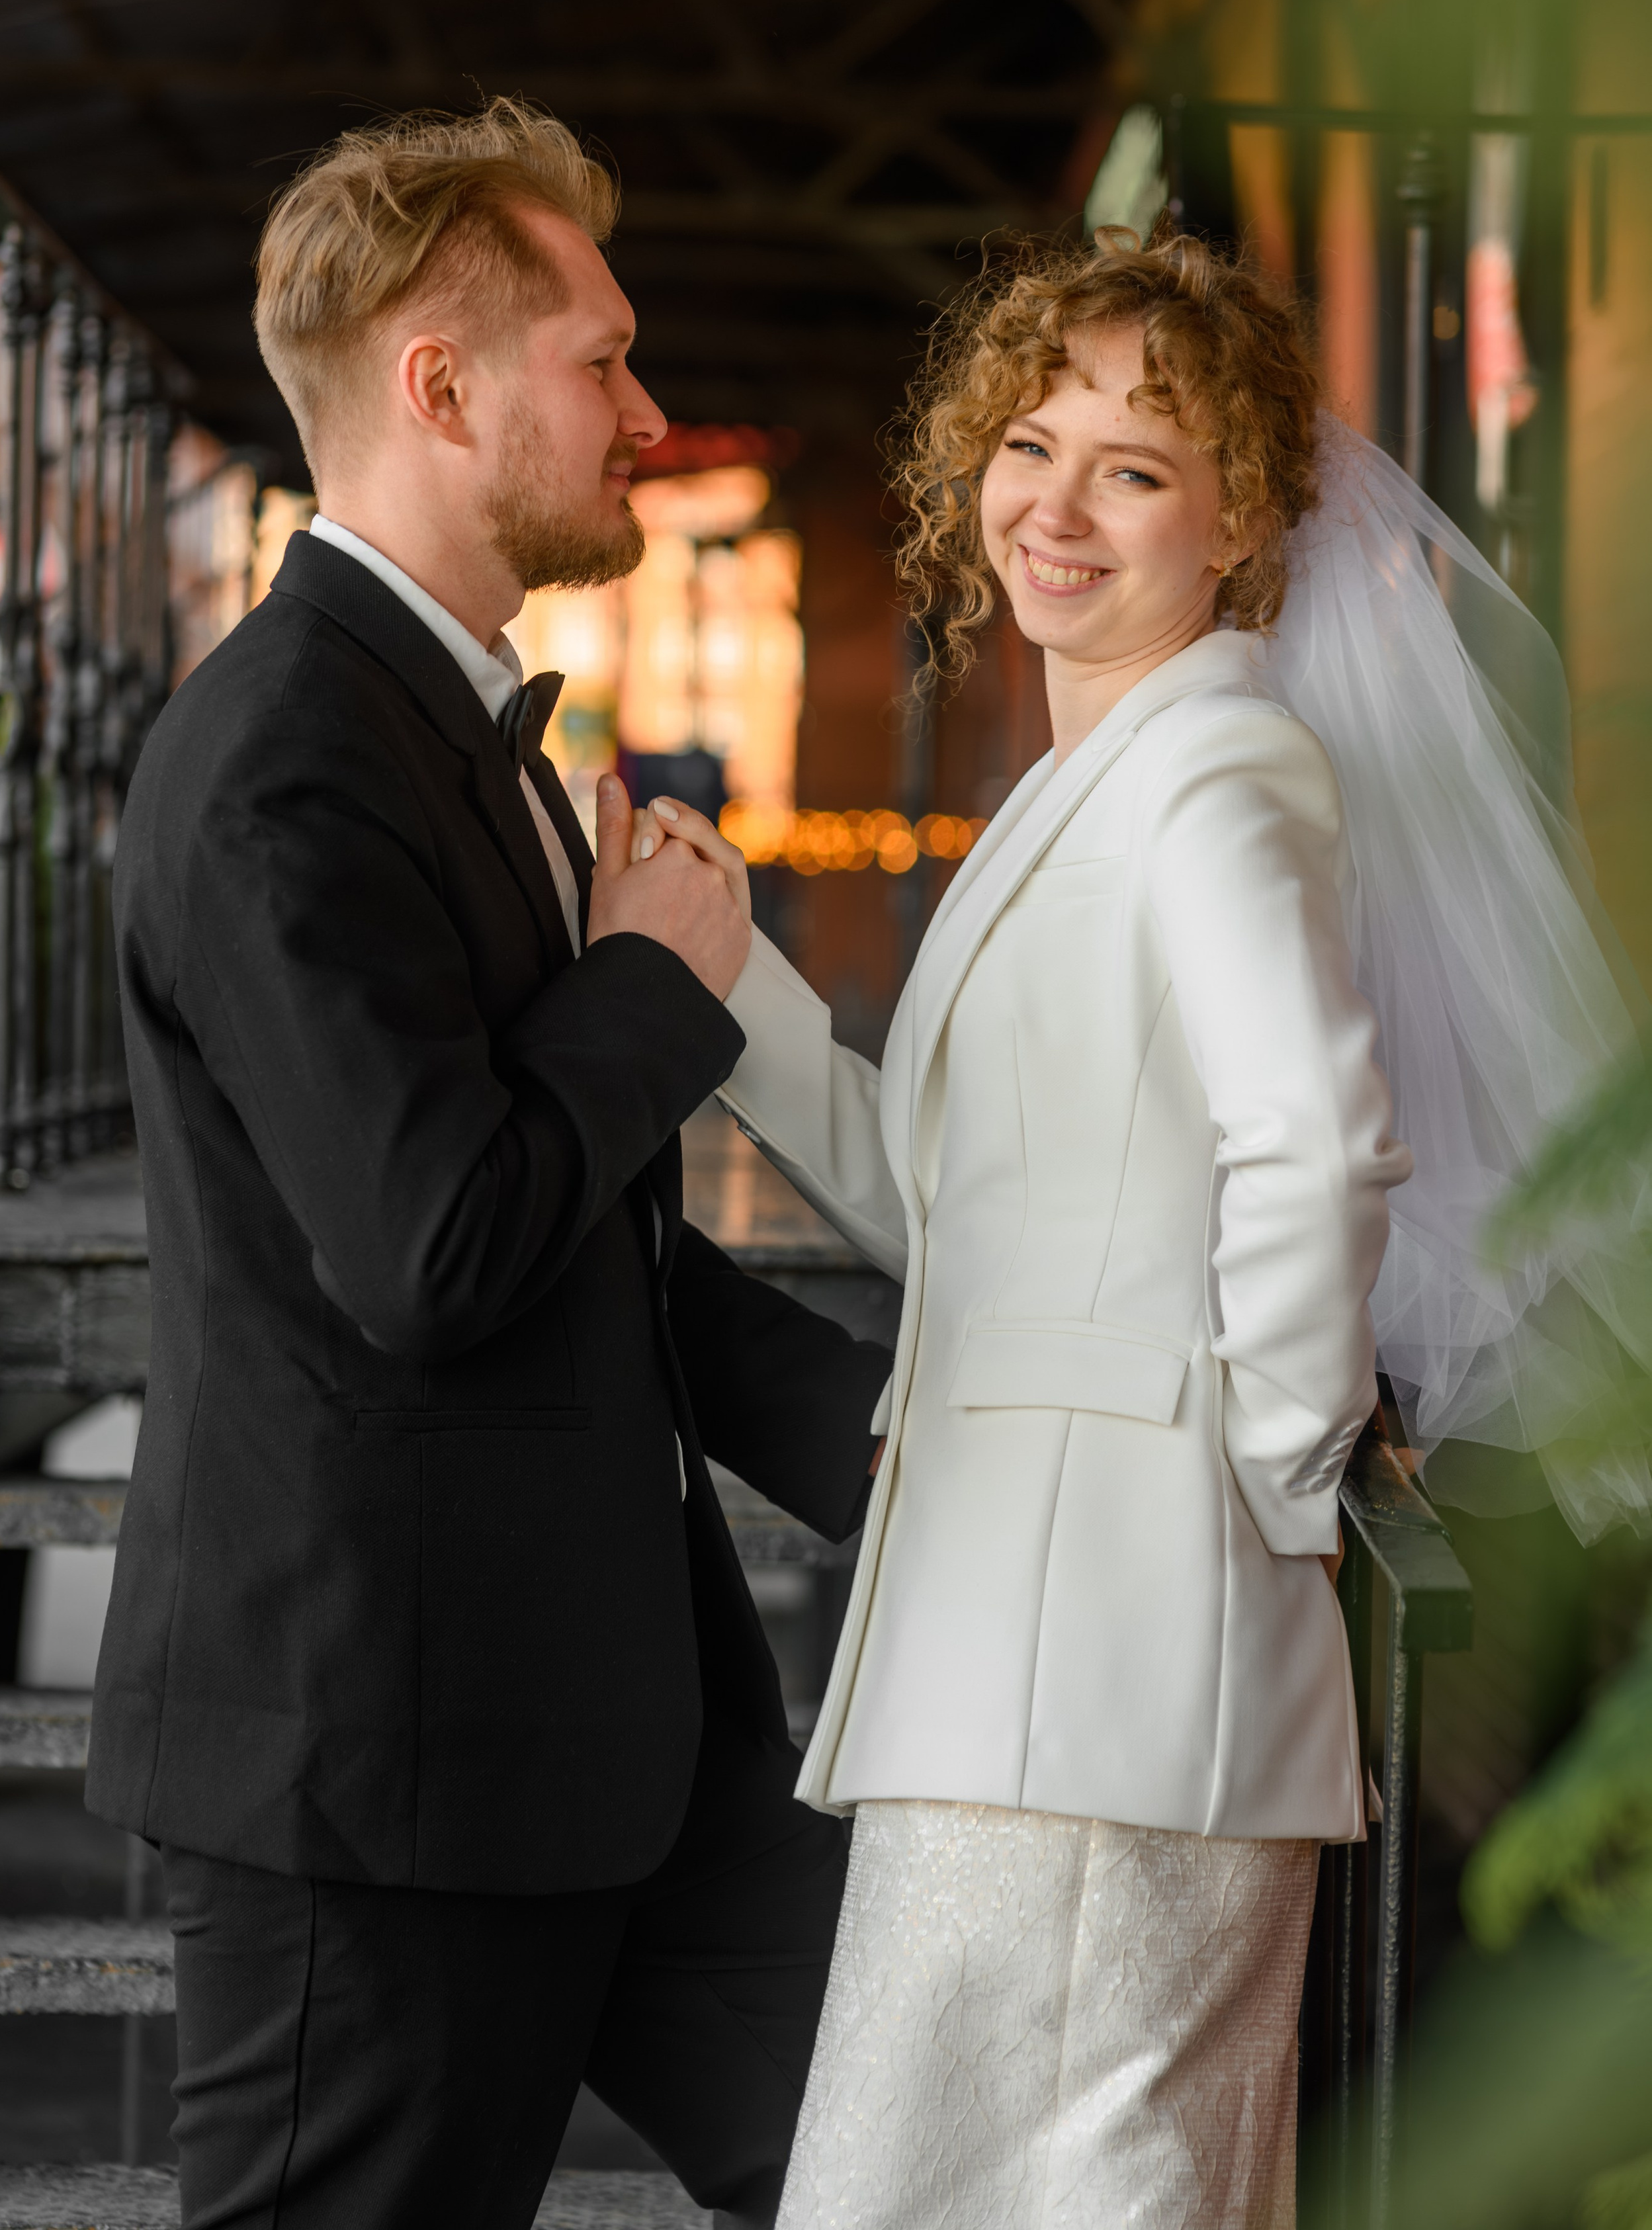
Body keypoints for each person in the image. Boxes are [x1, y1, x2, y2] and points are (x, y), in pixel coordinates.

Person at [639, 223, 1652, 2227]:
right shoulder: (1080, 784)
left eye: (1134, 466)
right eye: (1028, 445)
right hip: (1007, 1654)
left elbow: (1320, 1135)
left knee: (1078, 2187)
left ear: (1245, 511)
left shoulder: (1223, 767)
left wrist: (1263, 1487)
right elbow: (971, 1217)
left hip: (1126, 1664)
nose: (1056, 509)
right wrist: (727, 982)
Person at [85, 99, 892, 2230]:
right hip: (386, 1756)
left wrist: (947, 1453)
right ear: (440, 388)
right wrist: (652, 986)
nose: (643, 410)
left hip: (626, 1731)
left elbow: (596, 1253)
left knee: (943, 2158)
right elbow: (438, 1245)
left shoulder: (470, 741)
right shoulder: (277, 768)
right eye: (601, 360)